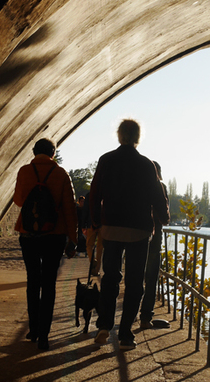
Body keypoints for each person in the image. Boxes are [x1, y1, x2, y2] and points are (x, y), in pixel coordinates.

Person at [88, 119, 169, 350]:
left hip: (111, 228)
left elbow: (95, 193)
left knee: (110, 277)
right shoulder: (146, 164)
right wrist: (164, 218)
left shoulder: (106, 160)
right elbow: (157, 196)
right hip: (138, 231)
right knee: (135, 282)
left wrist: (96, 221)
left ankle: (104, 325)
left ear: (119, 135)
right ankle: (125, 335)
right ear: (138, 137)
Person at [13, 138, 78, 351]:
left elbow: (19, 200)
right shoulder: (61, 174)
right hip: (55, 234)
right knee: (48, 283)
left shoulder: (24, 171)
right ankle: (44, 335)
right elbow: (70, 209)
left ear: (34, 151)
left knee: (33, 280)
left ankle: (33, 329)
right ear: (53, 153)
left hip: (29, 233)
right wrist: (73, 239)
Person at [139, 161, 169, 329]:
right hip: (154, 239)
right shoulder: (160, 186)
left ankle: (129, 317)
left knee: (135, 278)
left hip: (136, 237)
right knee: (151, 280)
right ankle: (145, 317)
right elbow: (164, 215)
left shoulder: (135, 186)